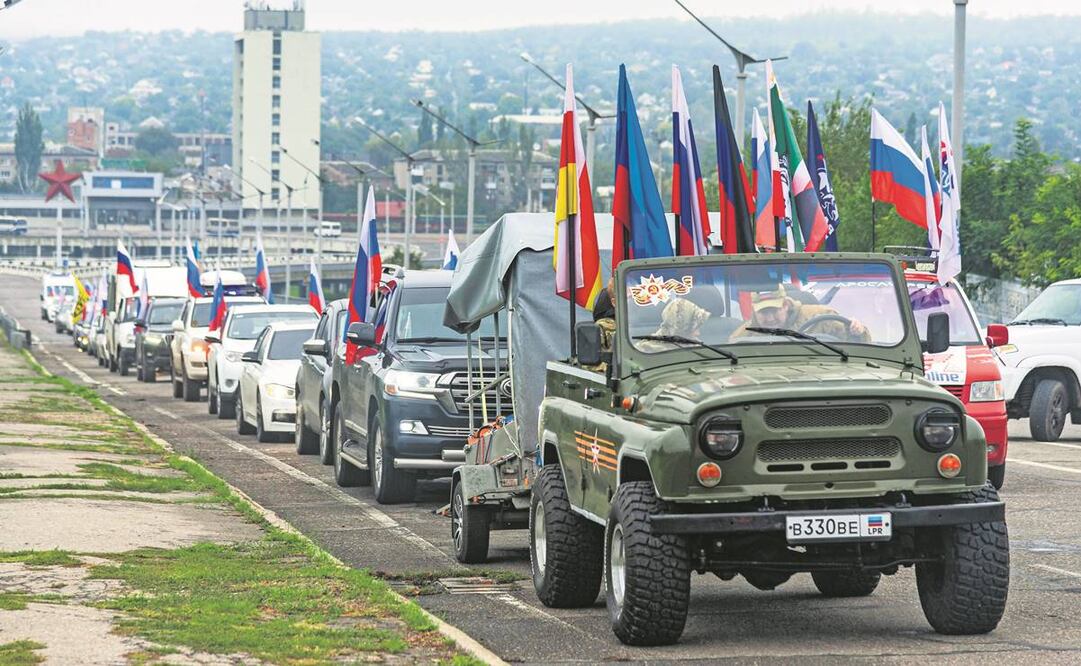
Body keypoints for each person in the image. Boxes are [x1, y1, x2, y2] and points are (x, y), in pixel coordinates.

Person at [730, 286, 871, 342]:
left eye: (774, 310)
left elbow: (861, 349)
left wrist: (858, 330)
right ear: (754, 310)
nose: (770, 318)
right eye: (763, 312)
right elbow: (729, 359)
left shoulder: (821, 317)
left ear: (785, 305)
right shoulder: (745, 334)